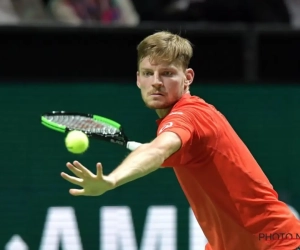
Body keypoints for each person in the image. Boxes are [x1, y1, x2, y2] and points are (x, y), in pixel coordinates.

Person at [61, 31, 300, 250]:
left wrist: (112, 180)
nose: (156, 81)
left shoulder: (190, 114)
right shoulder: (180, 124)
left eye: (166, 73)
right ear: (138, 79)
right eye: (148, 73)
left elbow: (157, 150)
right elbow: (159, 151)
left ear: (187, 77)